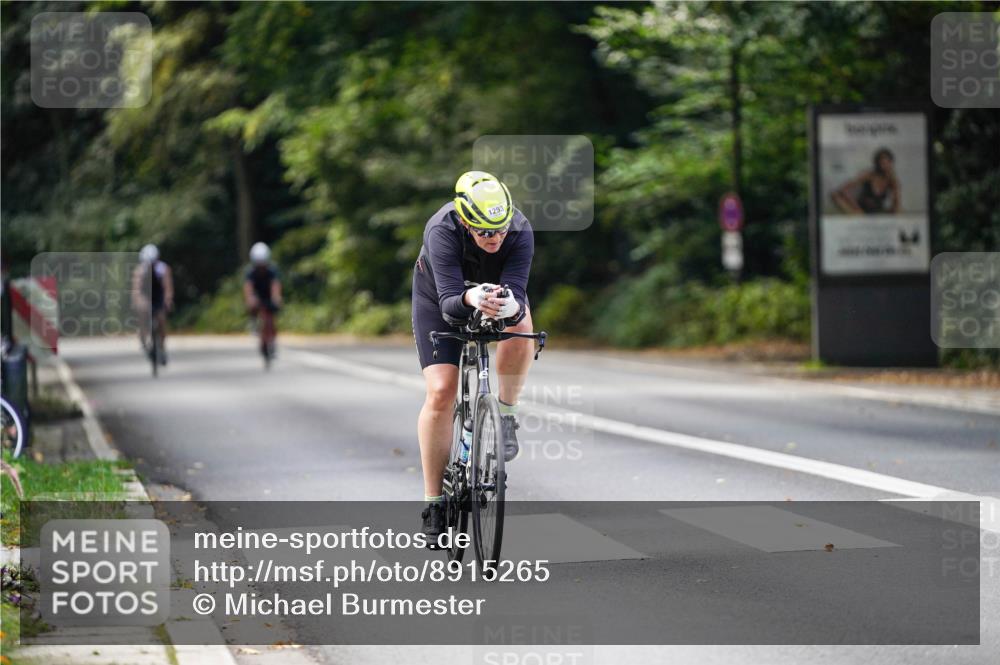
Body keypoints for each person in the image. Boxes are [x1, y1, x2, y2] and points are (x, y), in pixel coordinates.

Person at [411, 171, 535, 543]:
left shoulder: (521, 230)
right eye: (484, 232)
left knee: (522, 327)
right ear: (465, 221)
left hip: (494, 292)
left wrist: (509, 306)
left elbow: (517, 290)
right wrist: (470, 298)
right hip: (440, 297)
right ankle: (434, 501)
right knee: (441, 391)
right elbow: (450, 302)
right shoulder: (441, 230)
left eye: (500, 229)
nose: (494, 238)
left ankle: (507, 414)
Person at [131, 244, 174, 365]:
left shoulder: (163, 268)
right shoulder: (140, 270)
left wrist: (168, 299)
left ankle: (162, 348)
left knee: (161, 320)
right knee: (143, 316)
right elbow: (136, 289)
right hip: (146, 296)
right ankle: (144, 342)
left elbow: (167, 287)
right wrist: (137, 301)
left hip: (158, 296)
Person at [831, 147, 901, 215]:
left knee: (897, 211)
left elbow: (896, 204)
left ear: (891, 163)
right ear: (877, 163)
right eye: (882, 163)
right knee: (834, 195)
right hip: (861, 210)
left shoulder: (892, 180)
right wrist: (857, 208)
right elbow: (843, 189)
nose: (884, 166)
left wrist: (894, 212)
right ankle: (858, 216)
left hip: (878, 211)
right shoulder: (868, 175)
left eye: (887, 163)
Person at [243, 242, 282, 361]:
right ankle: (254, 322)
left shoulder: (272, 270)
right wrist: (250, 299)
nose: (261, 267)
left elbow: (275, 285)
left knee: (271, 317)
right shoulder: (250, 272)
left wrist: (277, 297)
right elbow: (248, 288)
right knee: (253, 305)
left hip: (269, 295)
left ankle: (272, 340)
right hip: (257, 296)